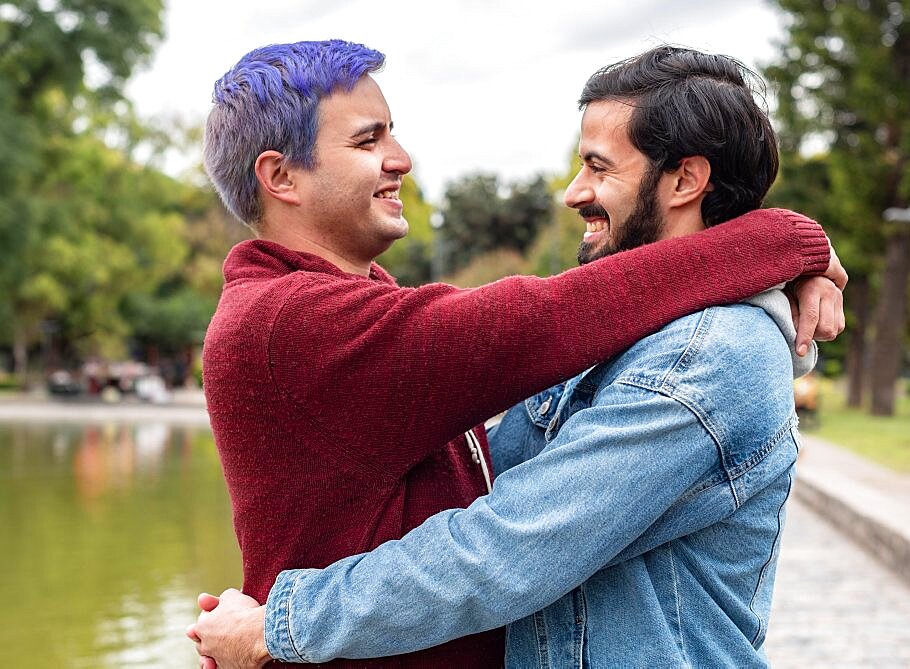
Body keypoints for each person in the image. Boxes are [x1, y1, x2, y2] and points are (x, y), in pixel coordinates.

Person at [190, 39, 845, 669]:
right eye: (369, 140)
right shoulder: (294, 323)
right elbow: (544, 322)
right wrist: (786, 241)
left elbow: (509, 540)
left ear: (685, 181)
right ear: (280, 176)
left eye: (598, 166)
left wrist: (280, 622)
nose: (402, 158)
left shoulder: (707, 352)